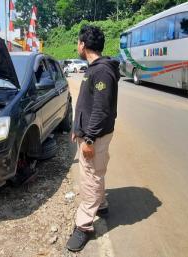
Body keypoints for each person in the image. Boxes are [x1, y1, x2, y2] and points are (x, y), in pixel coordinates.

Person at [66, 25, 120, 252]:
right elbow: (87, 104)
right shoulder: (95, 69)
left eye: (78, 43)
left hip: (94, 136)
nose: (77, 46)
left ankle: (84, 225)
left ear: (82, 45)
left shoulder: (101, 72)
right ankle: (103, 205)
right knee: (96, 171)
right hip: (90, 133)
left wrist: (88, 139)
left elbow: (100, 110)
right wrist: (77, 127)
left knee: (89, 177)